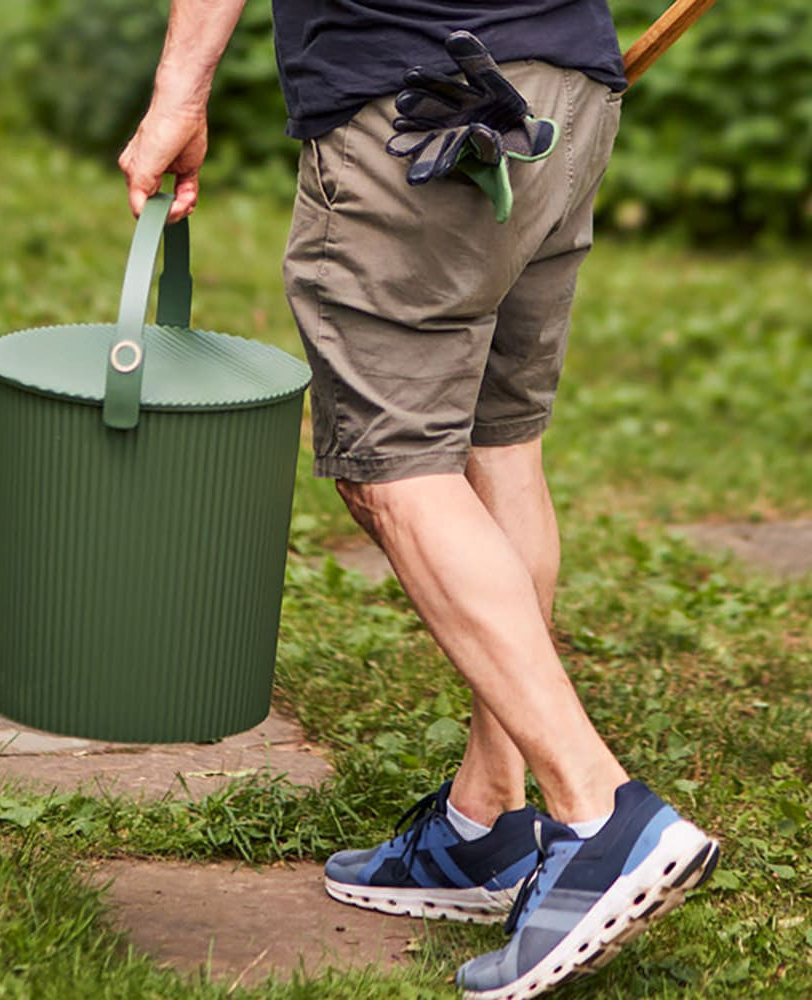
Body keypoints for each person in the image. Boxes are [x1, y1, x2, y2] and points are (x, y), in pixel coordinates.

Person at [119, 3, 719, 997]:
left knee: (393, 467)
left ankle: (599, 810)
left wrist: (180, 89)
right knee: (497, 444)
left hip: (419, 103)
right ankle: (487, 823)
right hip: (564, 87)